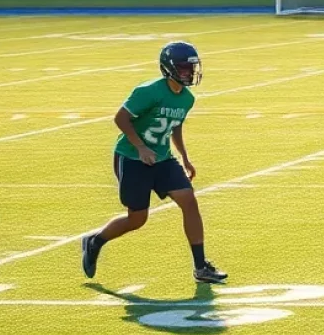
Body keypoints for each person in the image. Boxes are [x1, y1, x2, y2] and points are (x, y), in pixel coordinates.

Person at [81, 41, 227, 285]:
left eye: (191, 68)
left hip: (162, 158)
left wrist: (184, 157)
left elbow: (175, 126)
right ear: (168, 68)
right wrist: (140, 147)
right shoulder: (148, 91)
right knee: (137, 219)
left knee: (189, 201)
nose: (189, 73)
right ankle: (95, 241)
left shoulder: (187, 98)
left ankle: (201, 267)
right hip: (132, 157)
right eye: (183, 68)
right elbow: (121, 118)